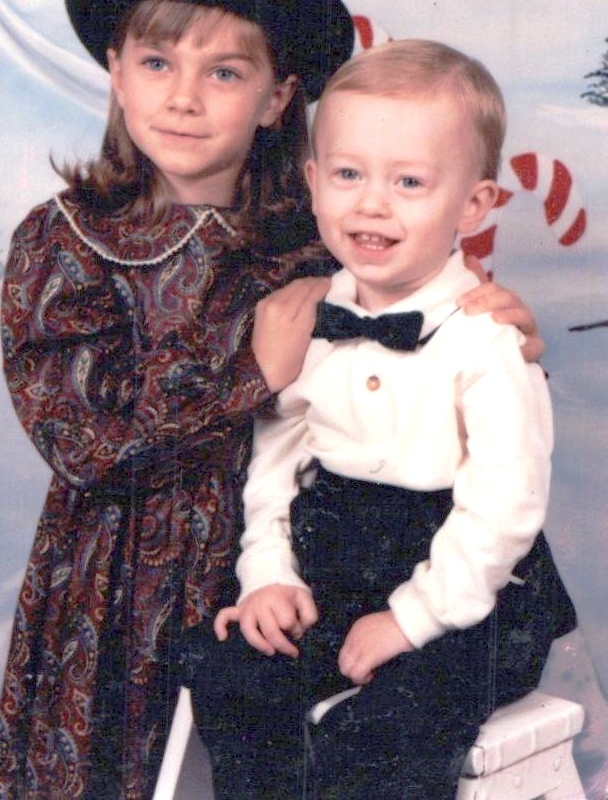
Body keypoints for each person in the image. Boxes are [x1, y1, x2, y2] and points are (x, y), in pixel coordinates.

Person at [0, 0, 545, 799]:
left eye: (223, 72)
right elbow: (80, 441)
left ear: (278, 97)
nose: (183, 98)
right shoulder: (64, 242)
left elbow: (422, 349)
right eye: (156, 63)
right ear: (116, 72)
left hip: (294, 557)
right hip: (122, 570)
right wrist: (251, 372)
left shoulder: (318, 233)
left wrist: (499, 323)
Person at [181, 40, 576, 799]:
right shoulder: (308, 317)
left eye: (409, 182)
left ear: (473, 206)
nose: (371, 204)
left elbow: (503, 511)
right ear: (313, 182)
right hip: (334, 567)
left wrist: (410, 620)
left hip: (473, 595)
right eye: (348, 175)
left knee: (383, 731)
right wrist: (268, 576)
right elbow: (273, 466)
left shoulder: (486, 341)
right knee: (234, 672)